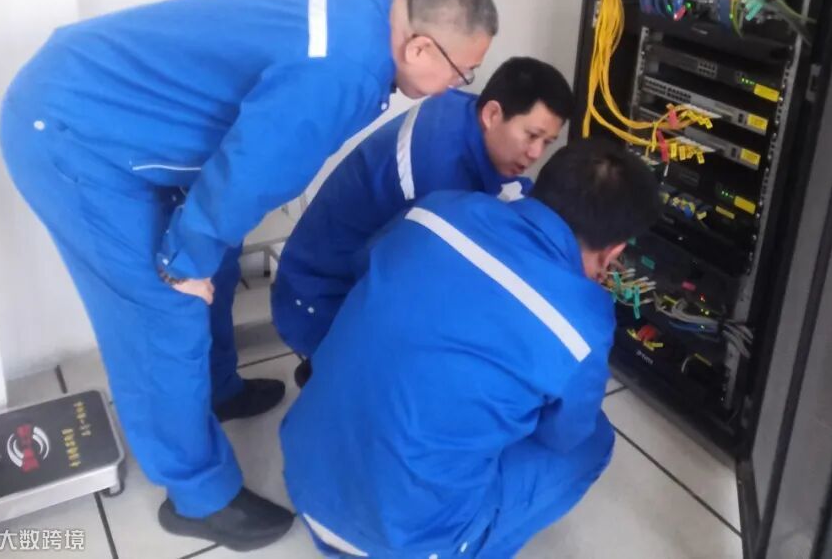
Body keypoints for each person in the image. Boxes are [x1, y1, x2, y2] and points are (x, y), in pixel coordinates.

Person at [0, 0, 497, 551]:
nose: (455, 88)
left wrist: (203, 251)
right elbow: (251, 172)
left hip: (117, 114)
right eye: (462, 72)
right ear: (419, 47)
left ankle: (216, 389)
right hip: (73, 134)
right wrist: (183, 262)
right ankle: (198, 497)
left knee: (216, 258)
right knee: (164, 309)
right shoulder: (342, 70)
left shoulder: (368, 10)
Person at [280, 139, 659, 558]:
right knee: (593, 440)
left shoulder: (435, 210)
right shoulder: (582, 323)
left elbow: (366, 269)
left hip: (302, 473)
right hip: (401, 540)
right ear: (613, 252)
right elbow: (563, 436)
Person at [272, 56, 575, 387]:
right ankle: (331, 368)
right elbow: (422, 282)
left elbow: (510, 198)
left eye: (547, 142)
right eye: (532, 135)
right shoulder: (437, 170)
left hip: (349, 272)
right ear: (492, 114)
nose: (536, 154)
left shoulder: (468, 118)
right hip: (320, 295)